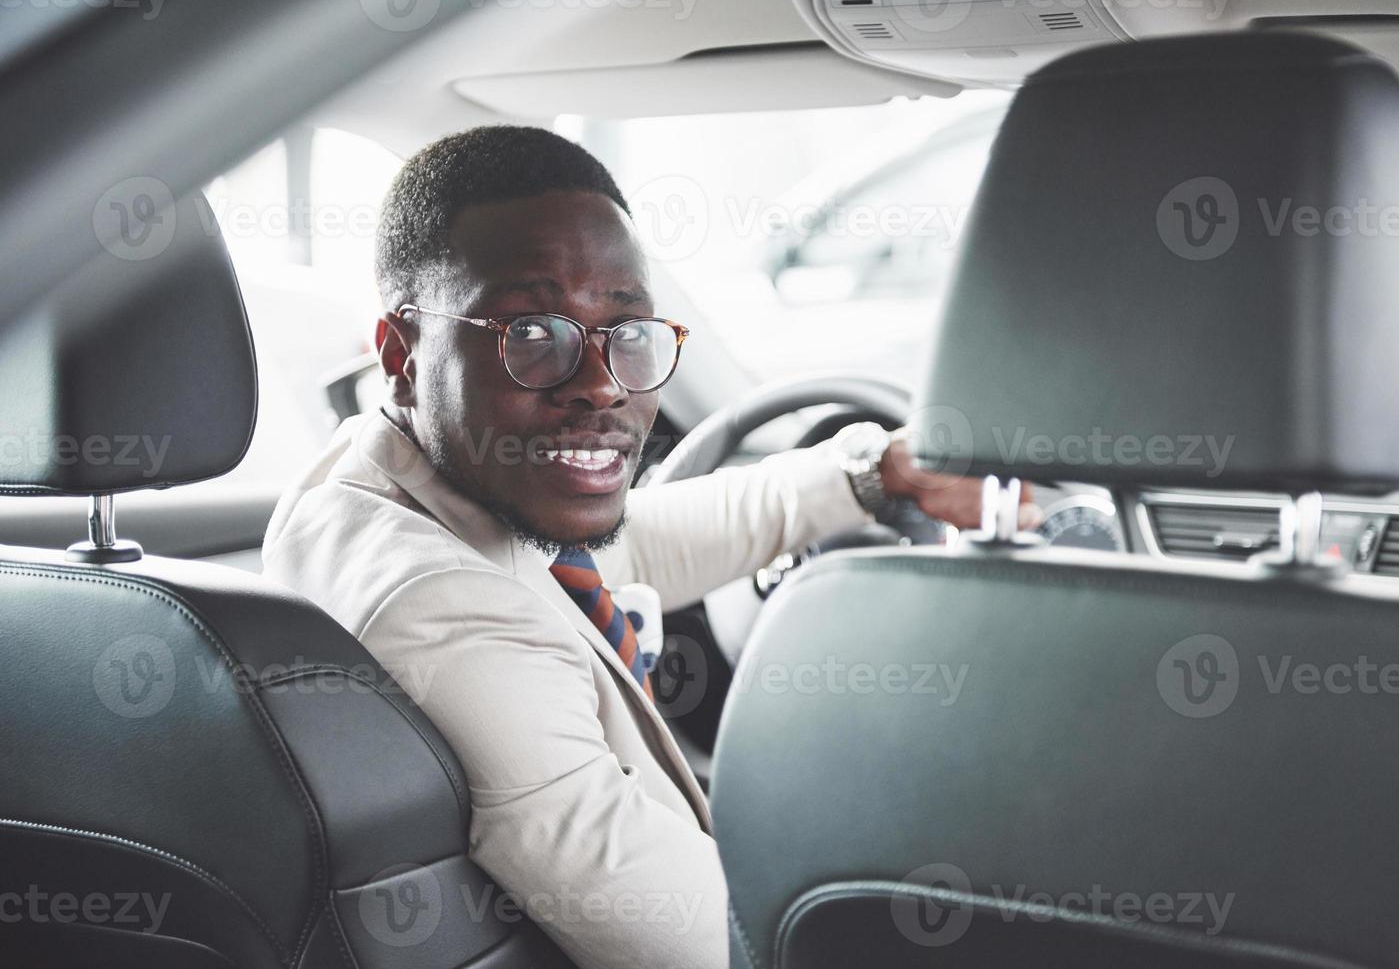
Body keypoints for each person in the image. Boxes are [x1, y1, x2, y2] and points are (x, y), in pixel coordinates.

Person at [262, 125, 1025, 969]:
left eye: (628, 334)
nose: (600, 384)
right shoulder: (445, 615)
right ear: (402, 353)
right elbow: (719, 949)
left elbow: (636, 547)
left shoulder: (373, 490)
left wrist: (871, 472)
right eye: (529, 334)